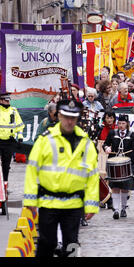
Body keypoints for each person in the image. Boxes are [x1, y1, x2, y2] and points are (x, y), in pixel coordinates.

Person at [24, 99, 99, 257]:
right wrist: (30, 200)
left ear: (77, 119)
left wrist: (91, 205)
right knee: (47, 243)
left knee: (72, 245)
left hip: (74, 203)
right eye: (65, 117)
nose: (69, 121)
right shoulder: (46, 139)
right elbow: (32, 169)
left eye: (73, 118)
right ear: (59, 116)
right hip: (49, 201)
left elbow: (92, 176)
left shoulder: (85, 143)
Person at [103, 114, 134, 220]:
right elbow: (105, 144)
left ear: (127, 124)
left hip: (127, 164)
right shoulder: (113, 133)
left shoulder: (132, 135)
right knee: (115, 187)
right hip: (114, 163)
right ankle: (116, 210)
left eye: (123, 123)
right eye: (119, 123)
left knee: (125, 187)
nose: (121, 125)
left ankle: (123, 209)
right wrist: (107, 148)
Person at [0, 92, 24, 195]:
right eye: (6, 100)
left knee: (6, 165)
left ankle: (5, 186)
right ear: (0, 100)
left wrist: (20, 136)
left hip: (9, 142)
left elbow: (19, 125)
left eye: (9, 100)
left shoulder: (13, 111)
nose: (8, 102)